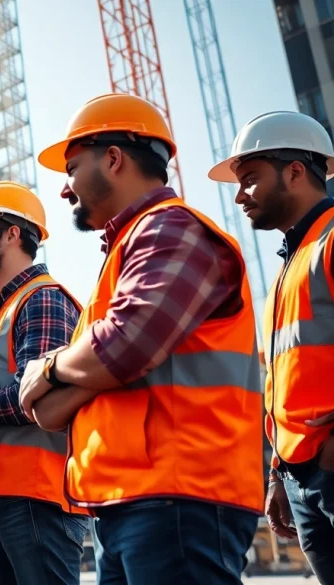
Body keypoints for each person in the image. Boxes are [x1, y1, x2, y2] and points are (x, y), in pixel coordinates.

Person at [22, 93, 263, 584]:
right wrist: (88, 367)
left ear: (113, 159)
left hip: (180, 497)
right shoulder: (129, 251)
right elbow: (52, 408)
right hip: (133, 500)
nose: (65, 190)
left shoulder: (171, 229)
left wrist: (47, 368)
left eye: (71, 168)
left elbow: (122, 346)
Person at [209, 110, 334, 583]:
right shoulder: (286, 271)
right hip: (303, 477)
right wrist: (279, 473)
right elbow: (284, 386)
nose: (239, 195)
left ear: (296, 172)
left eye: (251, 180)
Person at [0, 182, 89, 585]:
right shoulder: (8, 308)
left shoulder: (41, 298)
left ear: (12, 234)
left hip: (36, 496)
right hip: (8, 495)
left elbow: (41, 397)